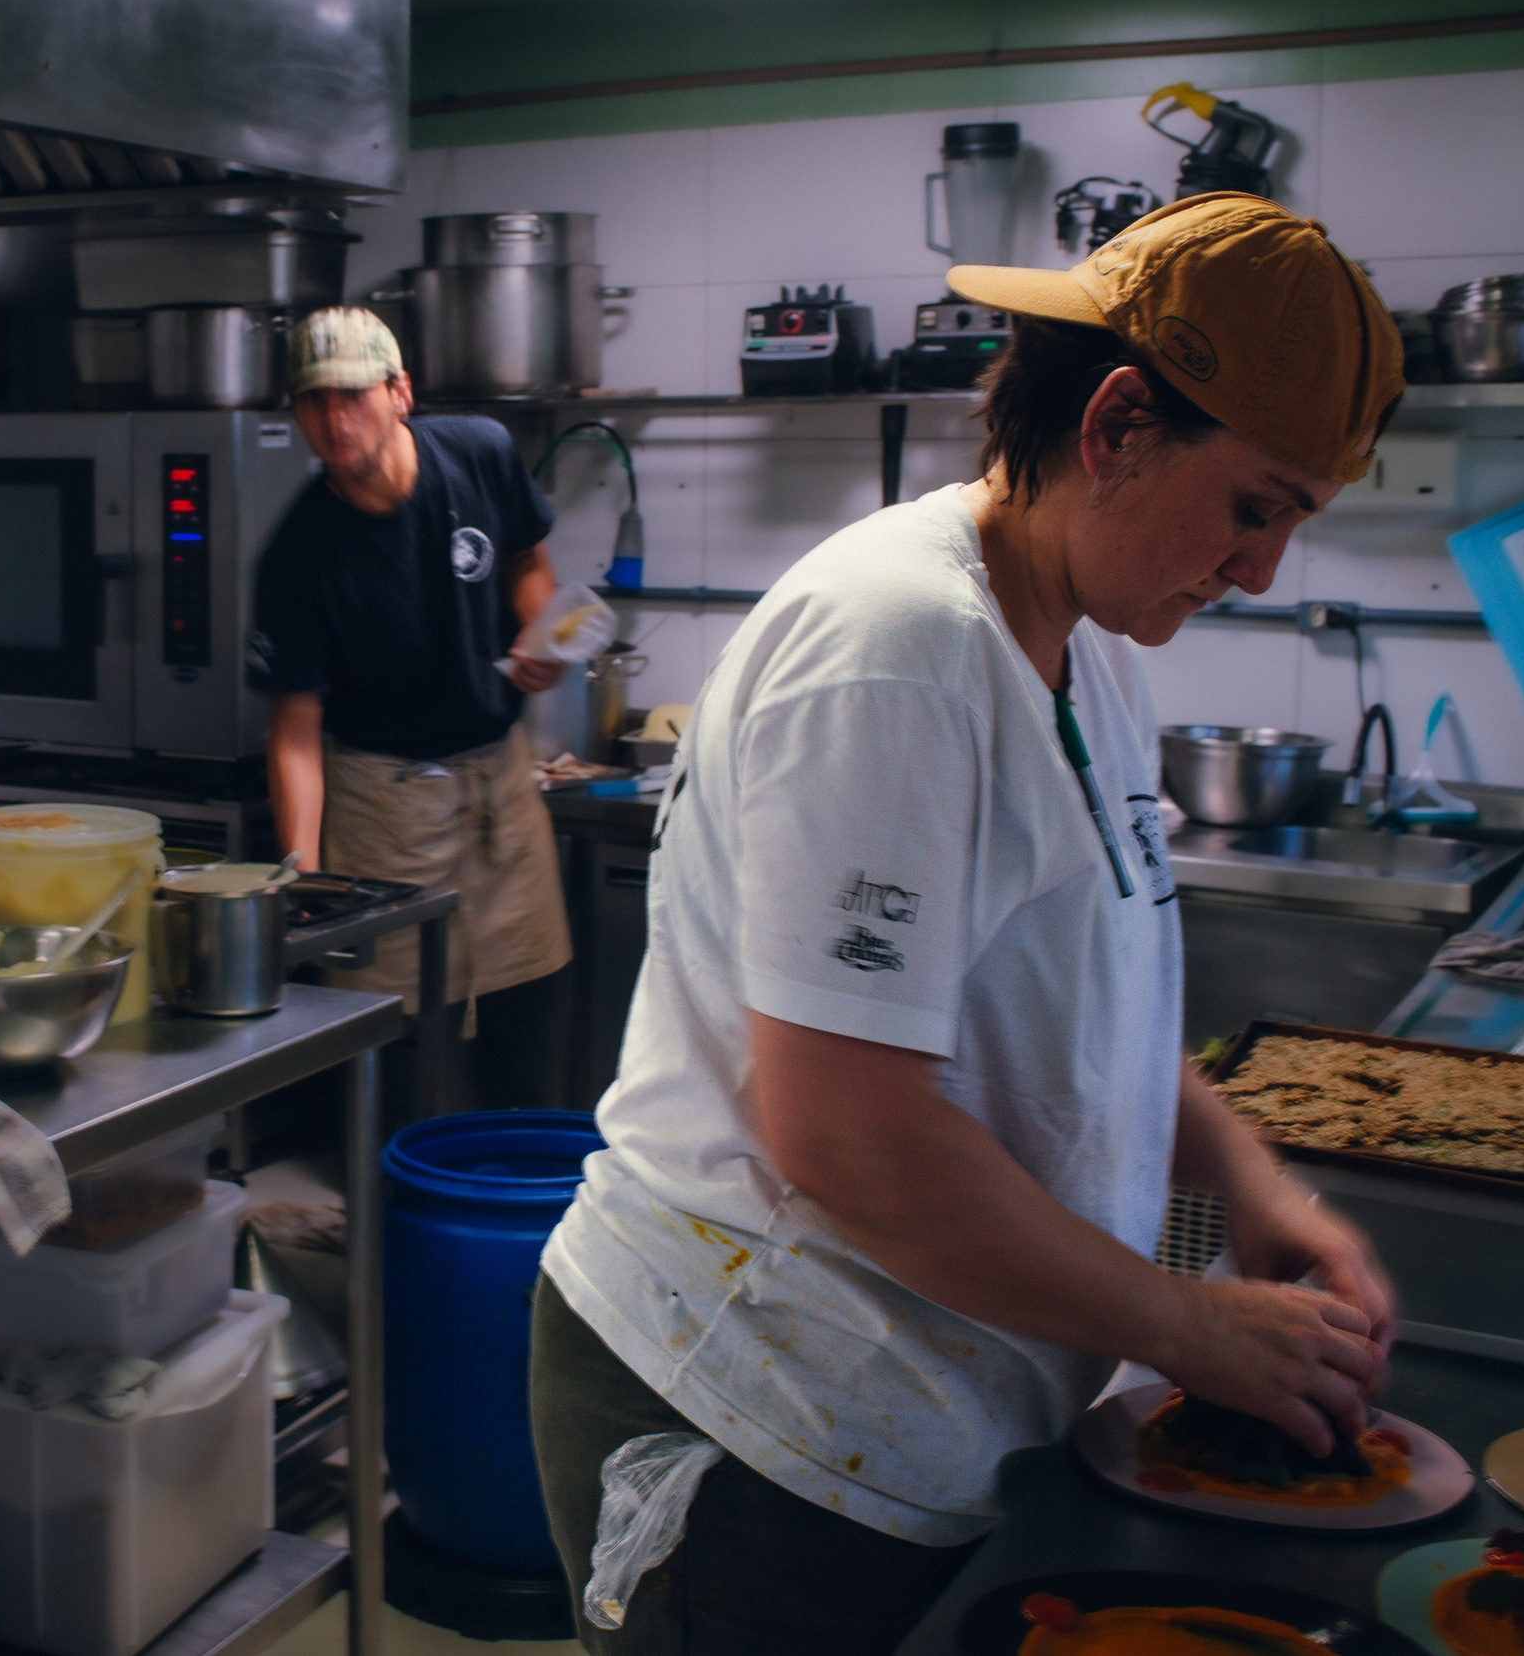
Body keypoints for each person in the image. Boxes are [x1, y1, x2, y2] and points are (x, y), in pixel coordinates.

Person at [530, 193, 1405, 1654]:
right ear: (1118, 424)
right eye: (1257, 508)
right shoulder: (902, 650)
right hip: (770, 1419)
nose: (1262, 570)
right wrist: (1188, 1328)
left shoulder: (1091, 643)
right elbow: (851, 1133)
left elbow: (1091, 1007)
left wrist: (1257, 1191)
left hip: (935, 1408)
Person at [248, 306, 573, 1113]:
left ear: (400, 393)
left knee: (523, 1016)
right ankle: (400, 1217)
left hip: (499, 786)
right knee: (394, 1045)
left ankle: (518, 1220)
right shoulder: (297, 555)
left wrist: (546, 632)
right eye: (312, 401)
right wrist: (301, 874)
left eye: (351, 395)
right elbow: (294, 732)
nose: (332, 419)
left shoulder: (480, 453)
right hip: (381, 807)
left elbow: (531, 564)